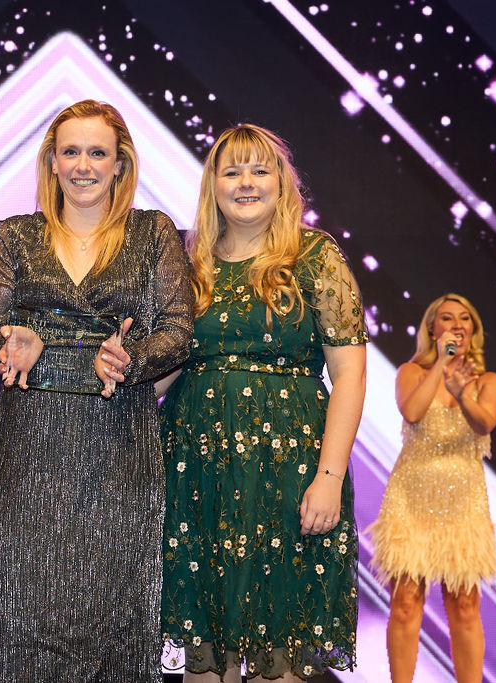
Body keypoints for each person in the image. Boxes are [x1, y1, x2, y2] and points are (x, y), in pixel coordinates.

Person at [0, 99, 193, 681]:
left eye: (97, 152)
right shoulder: (15, 237)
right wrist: (12, 341)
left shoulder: (153, 233)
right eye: (71, 152)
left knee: (116, 618)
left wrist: (131, 358)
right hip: (30, 453)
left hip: (120, 450)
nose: (83, 166)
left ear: (120, 163)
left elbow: (178, 333)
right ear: (52, 162)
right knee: (24, 616)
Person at [158, 124, 367, 681]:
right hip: (196, 477)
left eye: (259, 170)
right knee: (204, 655)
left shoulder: (315, 255)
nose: (246, 182)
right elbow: (164, 370)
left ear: (282, 183)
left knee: (279, 657)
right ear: (213, 186)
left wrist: (329, 477)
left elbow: (349, 376)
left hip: (288, 478)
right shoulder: (187, 262)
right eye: (232, 172)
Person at [368, 293, 496, 683]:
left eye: (465, 318)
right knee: (405, 603)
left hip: (463, 503)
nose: (457, 324)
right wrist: (441, 364)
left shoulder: (488, 382)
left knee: (464, 606)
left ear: (473, 329)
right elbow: (412, 412)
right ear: (433, 328)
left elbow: (485, 423)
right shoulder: (411, 372)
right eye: (447, 318)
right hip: (411, 498)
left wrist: (462, 393)